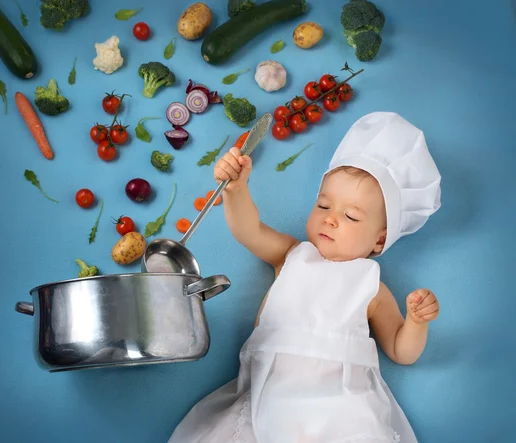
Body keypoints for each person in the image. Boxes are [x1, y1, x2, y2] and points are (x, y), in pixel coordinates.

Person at [168, 112, 442, 443]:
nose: (331, 220)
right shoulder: (291, 255)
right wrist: (236, 190)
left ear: (379, 240)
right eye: (324, 205)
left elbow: (401, 350)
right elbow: (248, 230)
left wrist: (416, 321)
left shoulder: (370, 286)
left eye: (351, 216)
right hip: (270, 400)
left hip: (343, 409)